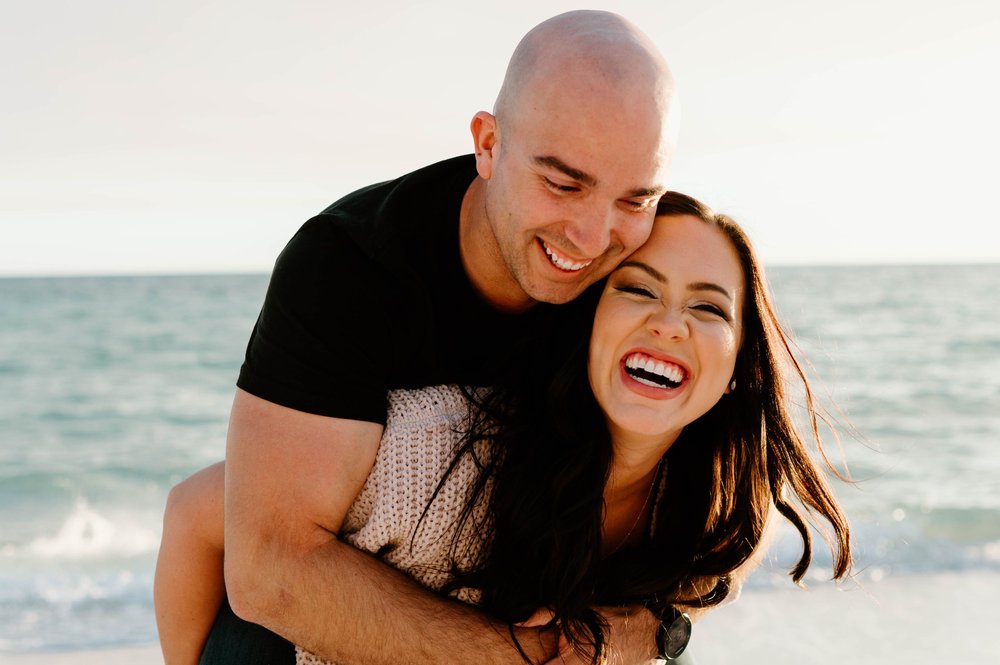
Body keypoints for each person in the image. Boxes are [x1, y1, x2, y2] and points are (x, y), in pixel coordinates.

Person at [156, 9, 682, 665]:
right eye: (562, 183)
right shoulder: (347, 266)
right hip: (320, 624)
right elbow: (270, 569)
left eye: (635, 198)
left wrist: (654, 629)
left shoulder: (653, 273)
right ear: (488, 144)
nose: (594, 234)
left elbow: (735, 478)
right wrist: (528, 658)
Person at [156, 194, 853, 665]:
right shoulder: (446, 448)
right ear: (589, 324)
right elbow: (193, 512)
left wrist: (650, 632)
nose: (670, 322)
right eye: (638, 289)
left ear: (738, 366)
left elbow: (687, 600)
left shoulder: (706, 508)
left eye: (708, 307)